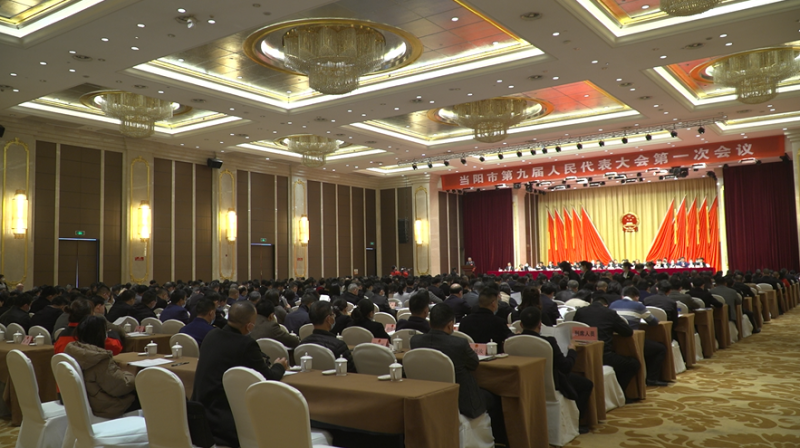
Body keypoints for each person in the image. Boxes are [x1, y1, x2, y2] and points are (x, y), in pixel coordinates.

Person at [192, 302, 287, 448]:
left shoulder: (211, 335)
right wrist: (279, 366)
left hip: (199, 417)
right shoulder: (246, 344)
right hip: (223, 421)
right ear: (249, 326)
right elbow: (268, 377)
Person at [411, 304, 506, 444]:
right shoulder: (458, 344)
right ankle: (499, 440)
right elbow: (474, 364)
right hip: (462, 400)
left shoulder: (415, 341)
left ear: (430, 323)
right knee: (495, 397)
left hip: (427, 396)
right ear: (450, 325)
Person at [519, 307, 593, 432]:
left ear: (521, 325)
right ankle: (577, 423)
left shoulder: (511, 340)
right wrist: (572, 352)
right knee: (587, 384)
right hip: (552, 382)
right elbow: (565, 367)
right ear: (540, 325)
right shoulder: (548, 342)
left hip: (525, 383)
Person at [64, 316, 139, 419]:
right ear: (100, 334)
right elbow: (121, 387)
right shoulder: (99, 358)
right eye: (106, 331)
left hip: (87, 402)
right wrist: (132, 374)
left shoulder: (74, 351)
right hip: (106, 407)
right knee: (146, 395)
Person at [574, 297, 642, 393]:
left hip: (581, 354)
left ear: (591, 302)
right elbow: (628, 332)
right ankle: (619, 394)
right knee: (633, 364)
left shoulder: (580, 312)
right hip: (603, 355)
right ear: (606, 305)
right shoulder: (609, 313)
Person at [610, 287, 668, 386]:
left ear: (622, 296)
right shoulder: (638, 306)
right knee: (660, 348)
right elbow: (653, 322)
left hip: (615, 342)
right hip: (632, 341)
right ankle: (652, 379)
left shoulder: (613, 304)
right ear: (636, 297)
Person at [299, 301, 356, 372]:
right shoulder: (339, 346)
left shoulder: (302, 344)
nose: (334, 316)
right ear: (328, 319)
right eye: (333, 314)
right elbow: (351, 372)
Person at [55, 299, 124, 355]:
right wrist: (112, 333)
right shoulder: (92, 334)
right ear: (89, 316)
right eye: (93, 312)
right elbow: (116, 348)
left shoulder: (61, 336)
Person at [458, 288, 513, 353]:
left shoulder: (464, 321)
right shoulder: (498, 322)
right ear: (493, 303)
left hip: (470, 355)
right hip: (494, 356)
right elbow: (510, 340)